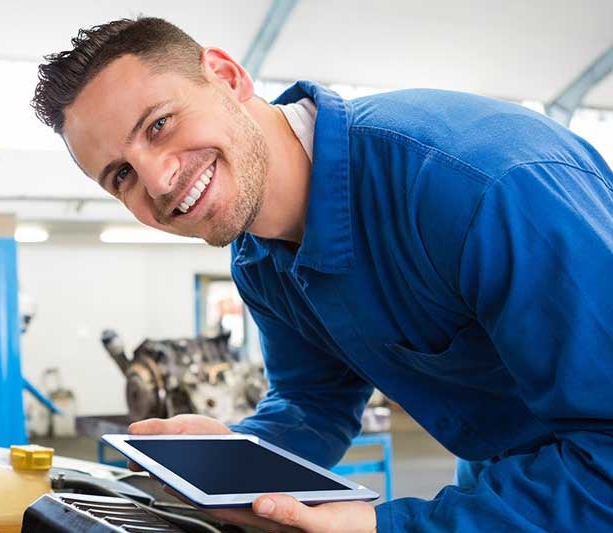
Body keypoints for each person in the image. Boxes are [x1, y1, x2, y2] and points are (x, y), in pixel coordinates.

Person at [31, 17, 613, 533]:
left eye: (158, 124)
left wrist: (383, 527)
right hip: (515, 487)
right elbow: (314, 400)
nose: (157, 182)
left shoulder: (479, 186)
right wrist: (236, 457)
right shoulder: (257, 258)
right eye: (120, 176)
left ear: (228, 76)